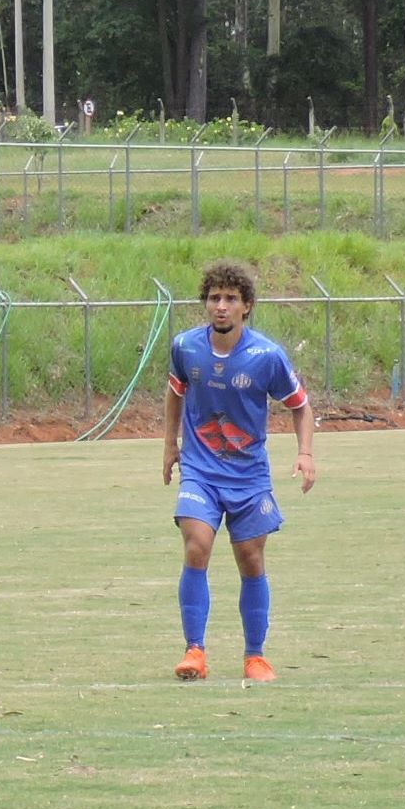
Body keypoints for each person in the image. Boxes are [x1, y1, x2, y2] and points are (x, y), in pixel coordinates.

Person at [163, 260, 316, 682]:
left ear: (246, 306)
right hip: (200, 471)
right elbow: (175, 393)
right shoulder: (185, 347)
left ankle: (255, 656)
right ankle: (194, 651)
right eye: (214, 298)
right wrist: (169, 447)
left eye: (231, 299)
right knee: (197, 544)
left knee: (251, 559)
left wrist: (305, 454)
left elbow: (301, 407)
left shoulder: (267, 356)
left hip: (248, 476)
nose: (221, 306)